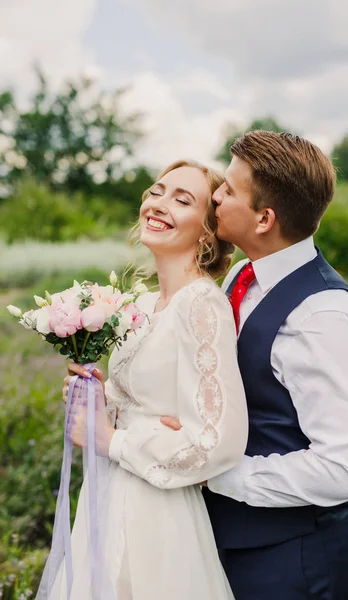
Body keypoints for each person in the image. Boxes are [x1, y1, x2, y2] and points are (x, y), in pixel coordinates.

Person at [163, 132, 348, 600]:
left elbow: (346, 467)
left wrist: (216, 474)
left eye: (229, 191)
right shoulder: (241, 276)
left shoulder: (323, 318)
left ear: (264, 218)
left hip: (297, 564)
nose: (215, 195)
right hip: (230, 544)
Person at [40, 160, 249, 600]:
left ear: (207, 230)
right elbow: (142, 403)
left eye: (182, 198)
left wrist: (110, 438)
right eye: (157, 191)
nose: (159, 203)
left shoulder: (201, 305)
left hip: (158, 516)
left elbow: (218, 440)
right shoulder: (145, 303)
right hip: (111, 497)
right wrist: (95, 396)